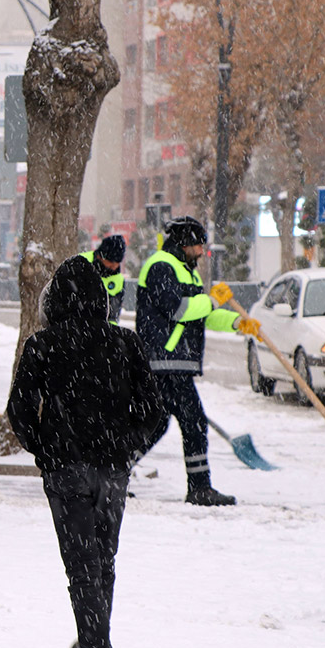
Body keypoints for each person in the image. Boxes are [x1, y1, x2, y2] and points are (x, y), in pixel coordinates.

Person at [7, 255, 166, 648]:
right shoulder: (125, 342)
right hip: (112, 469)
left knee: (82, 565)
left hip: (65, 468)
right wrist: (127, 446)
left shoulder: (42, 345)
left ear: (53, 301)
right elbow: (153, 410)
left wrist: (43, 449)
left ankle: (95, 645)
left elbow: (20, 409)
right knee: (103, 561)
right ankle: (95, 641)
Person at [135, 216, 260, 506]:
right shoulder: (161, 266)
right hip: (164, 360)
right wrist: (212, 300)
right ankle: (199, 488)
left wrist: (237, 323)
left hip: (175, 362)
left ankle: (116, 473)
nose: (202, 251)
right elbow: (177, 310)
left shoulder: (186, 271)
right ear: (184, 243)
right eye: (198, 245)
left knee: (156, 425)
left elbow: (201, 314)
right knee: (192, 422)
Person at [80, 234, 126, 324]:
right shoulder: (81, 262)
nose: (114, 266)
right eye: (111, 261)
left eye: (118, 262)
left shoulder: (118, 279)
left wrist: (110, 330)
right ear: (100, 256)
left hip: (100, 328)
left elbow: (113, 314)